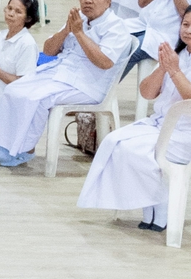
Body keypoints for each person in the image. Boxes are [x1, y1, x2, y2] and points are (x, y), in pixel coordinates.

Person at [0, 0, 136, 168]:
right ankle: (2, 149)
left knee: (38, 98)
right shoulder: (79, 19)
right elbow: (49, 50)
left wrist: (78, 33)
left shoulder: (117, 27)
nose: (88, 0)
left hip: (88, 84)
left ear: (108, 1)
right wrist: (67, 30)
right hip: (60, 72)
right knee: (14, 89)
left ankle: (23, 151)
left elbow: (104, 62)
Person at [78, 15, 191, 231]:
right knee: (115, 142)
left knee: (139, 153)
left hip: (185, 132)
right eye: (185, 24)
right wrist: (164, 67)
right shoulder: (176, 55)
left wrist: (175, 71)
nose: (188, 30)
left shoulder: (176, 62)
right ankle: (148, 209)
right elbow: (147, 92)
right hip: (159, 123)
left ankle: (162, 208)